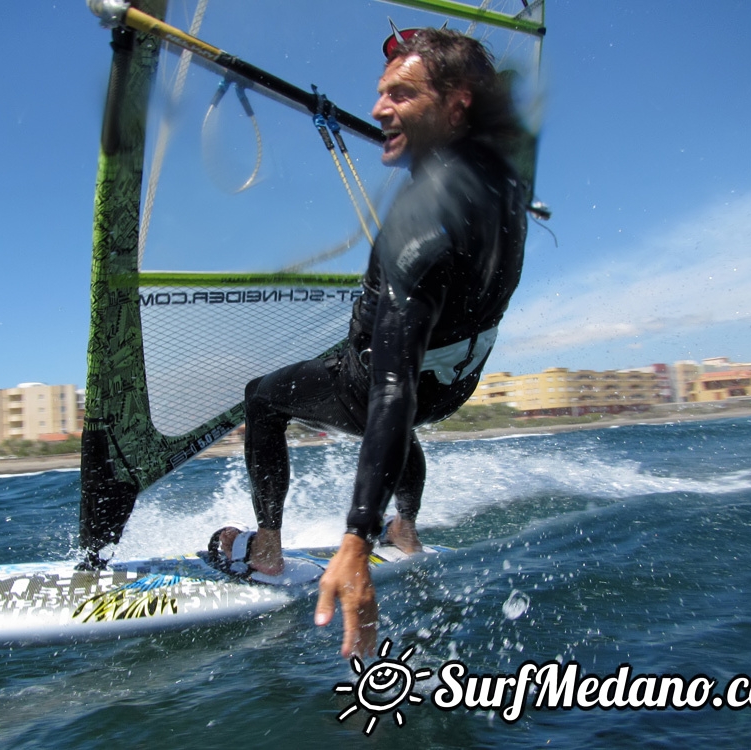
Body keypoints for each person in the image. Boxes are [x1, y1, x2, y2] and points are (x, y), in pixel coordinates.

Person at [212, 28, 529, 658]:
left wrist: (354, 542)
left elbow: (390, 389)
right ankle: (405, 529)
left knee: (263, 398)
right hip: (454, 386)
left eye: (402, 95)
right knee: (401, 415)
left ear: (458, 103)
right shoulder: (508, 188)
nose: (380, 107)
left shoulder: (421, 224)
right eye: (381, 94)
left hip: (389, 383)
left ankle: (268, 549)